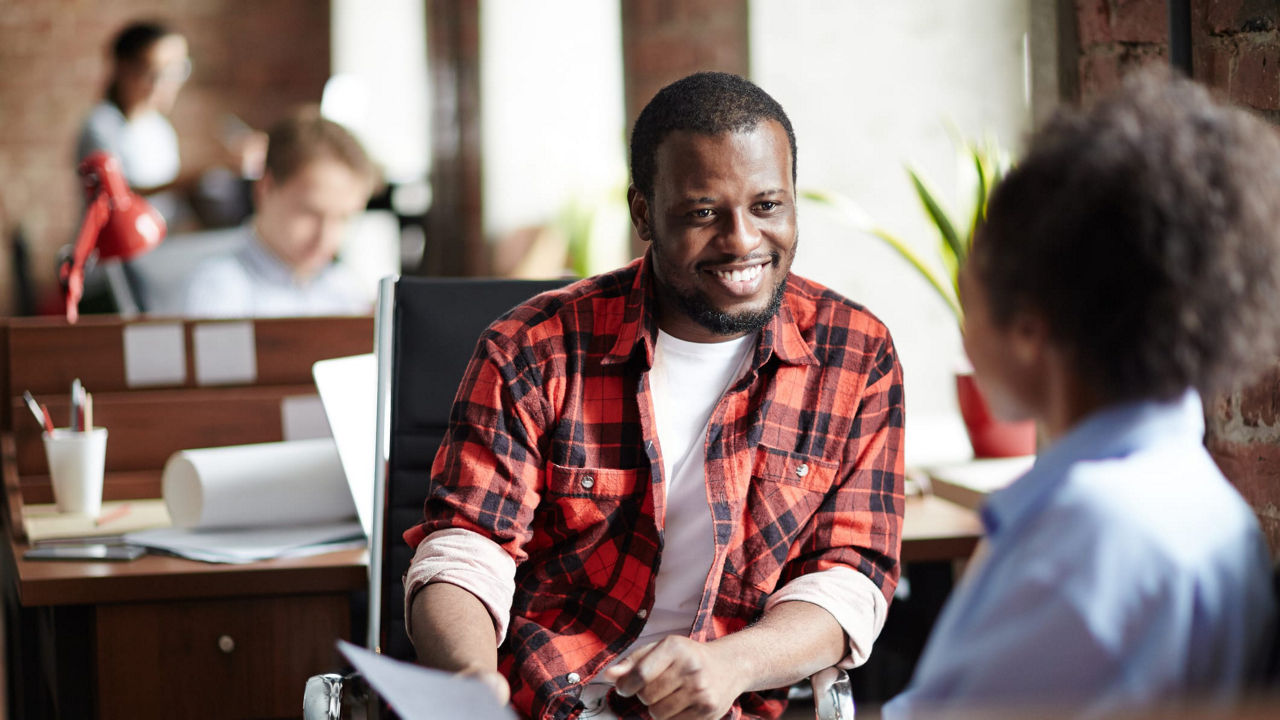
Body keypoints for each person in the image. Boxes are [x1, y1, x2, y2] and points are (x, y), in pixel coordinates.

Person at [403, 72, 905, 720]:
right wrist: (469, 681)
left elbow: (849, 577)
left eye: (767, 206)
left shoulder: (855, 355)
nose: (743, 241)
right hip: (542, 703)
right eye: (703, 213)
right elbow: (464, 550)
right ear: (644, 213)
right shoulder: (531, 347)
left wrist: (733, 664)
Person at [882, 70, 1280, 718]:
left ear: (1031, 328)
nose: (964, 339)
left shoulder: (1090, 538)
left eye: (969, 306)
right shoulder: (1193, 497)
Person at [182, 108, 379, 318]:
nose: (326, 237)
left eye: (344, 218)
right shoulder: (218, 291)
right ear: (265, 189)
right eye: (310, 213)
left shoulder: (345, 290)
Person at [76, 20, 265, 229]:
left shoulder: (159, 128)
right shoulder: (101, 126)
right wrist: (203, 171)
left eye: (177, 71)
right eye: (155, 72)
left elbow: (171, 202)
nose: (167, 83)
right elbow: (117, 198)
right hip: (116, 250)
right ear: (125, 69)